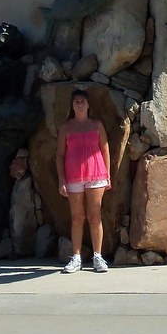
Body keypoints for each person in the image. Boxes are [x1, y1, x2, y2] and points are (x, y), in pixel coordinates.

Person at [56, 89, 112, 273]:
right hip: (73, 176)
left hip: (96, 174)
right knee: (76, 217)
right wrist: (61, 180)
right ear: (72, 106)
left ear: (88, 105)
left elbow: (105, 150)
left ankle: (98, 256)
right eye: (76, 101)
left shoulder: (96, 125)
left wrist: (108, 175)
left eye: (82, 101)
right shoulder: (66, 127)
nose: (79, 104)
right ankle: (76, 257)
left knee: (95, 216)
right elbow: (60, 156)